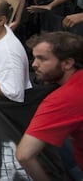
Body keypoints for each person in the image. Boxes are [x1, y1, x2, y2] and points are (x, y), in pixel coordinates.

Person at [16, 31, 83, 180]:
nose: (34, 64)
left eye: (42, 59)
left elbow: (24, 155)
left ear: (67, 63)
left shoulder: (62, 99)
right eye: (34, 57)